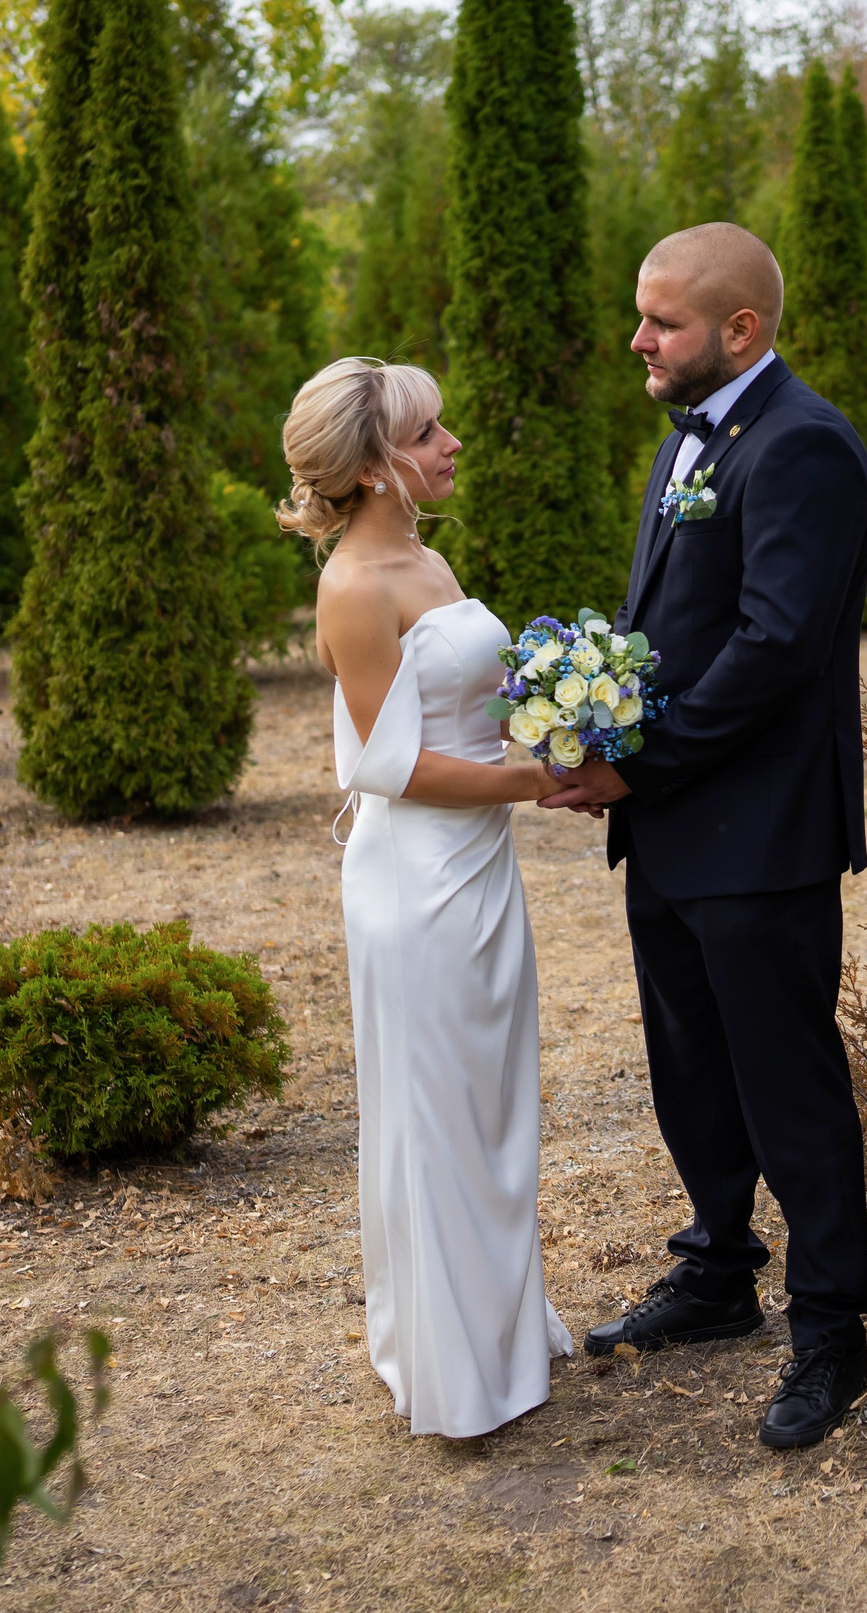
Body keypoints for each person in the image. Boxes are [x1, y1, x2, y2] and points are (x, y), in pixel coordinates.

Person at [538, 224, 867, 1451]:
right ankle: (720, 1271)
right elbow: (675, 627)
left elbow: (776, 650)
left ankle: (832, 1328)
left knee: (789, 1087)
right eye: (641, 315)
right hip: (678, 828)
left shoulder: (802, 449)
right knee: (690, 1067)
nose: (638, 339)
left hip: (762, 833)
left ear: (739, 330)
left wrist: (637, 760)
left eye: (663, 321)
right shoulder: (695, 433)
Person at [278, 357, 574, 1439]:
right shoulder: (357, 588)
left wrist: (565, 723)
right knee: (438, 1109)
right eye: (428, 431)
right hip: (419, 878)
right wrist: (541, 783)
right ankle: (457, 1371)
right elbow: (390, 768)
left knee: (492, 1098)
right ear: (371, 467)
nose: (451, 444)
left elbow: (468, 710)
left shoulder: (429, 559)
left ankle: (497, 1325)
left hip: (478, 861)